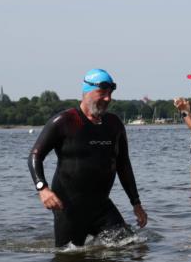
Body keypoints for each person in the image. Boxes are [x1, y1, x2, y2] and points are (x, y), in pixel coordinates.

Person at [28, 69, 146, 248]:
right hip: (69, 209)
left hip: (101, 207)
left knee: (131, 247)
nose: (108, 98)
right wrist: (42, 188)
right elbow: (35, 156)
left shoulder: (114, 125)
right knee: (69, 260)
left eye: (110, 93)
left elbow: (123, 165)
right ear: (87, 91)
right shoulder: (64, 121)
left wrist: (136, 203)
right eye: (102, 93)